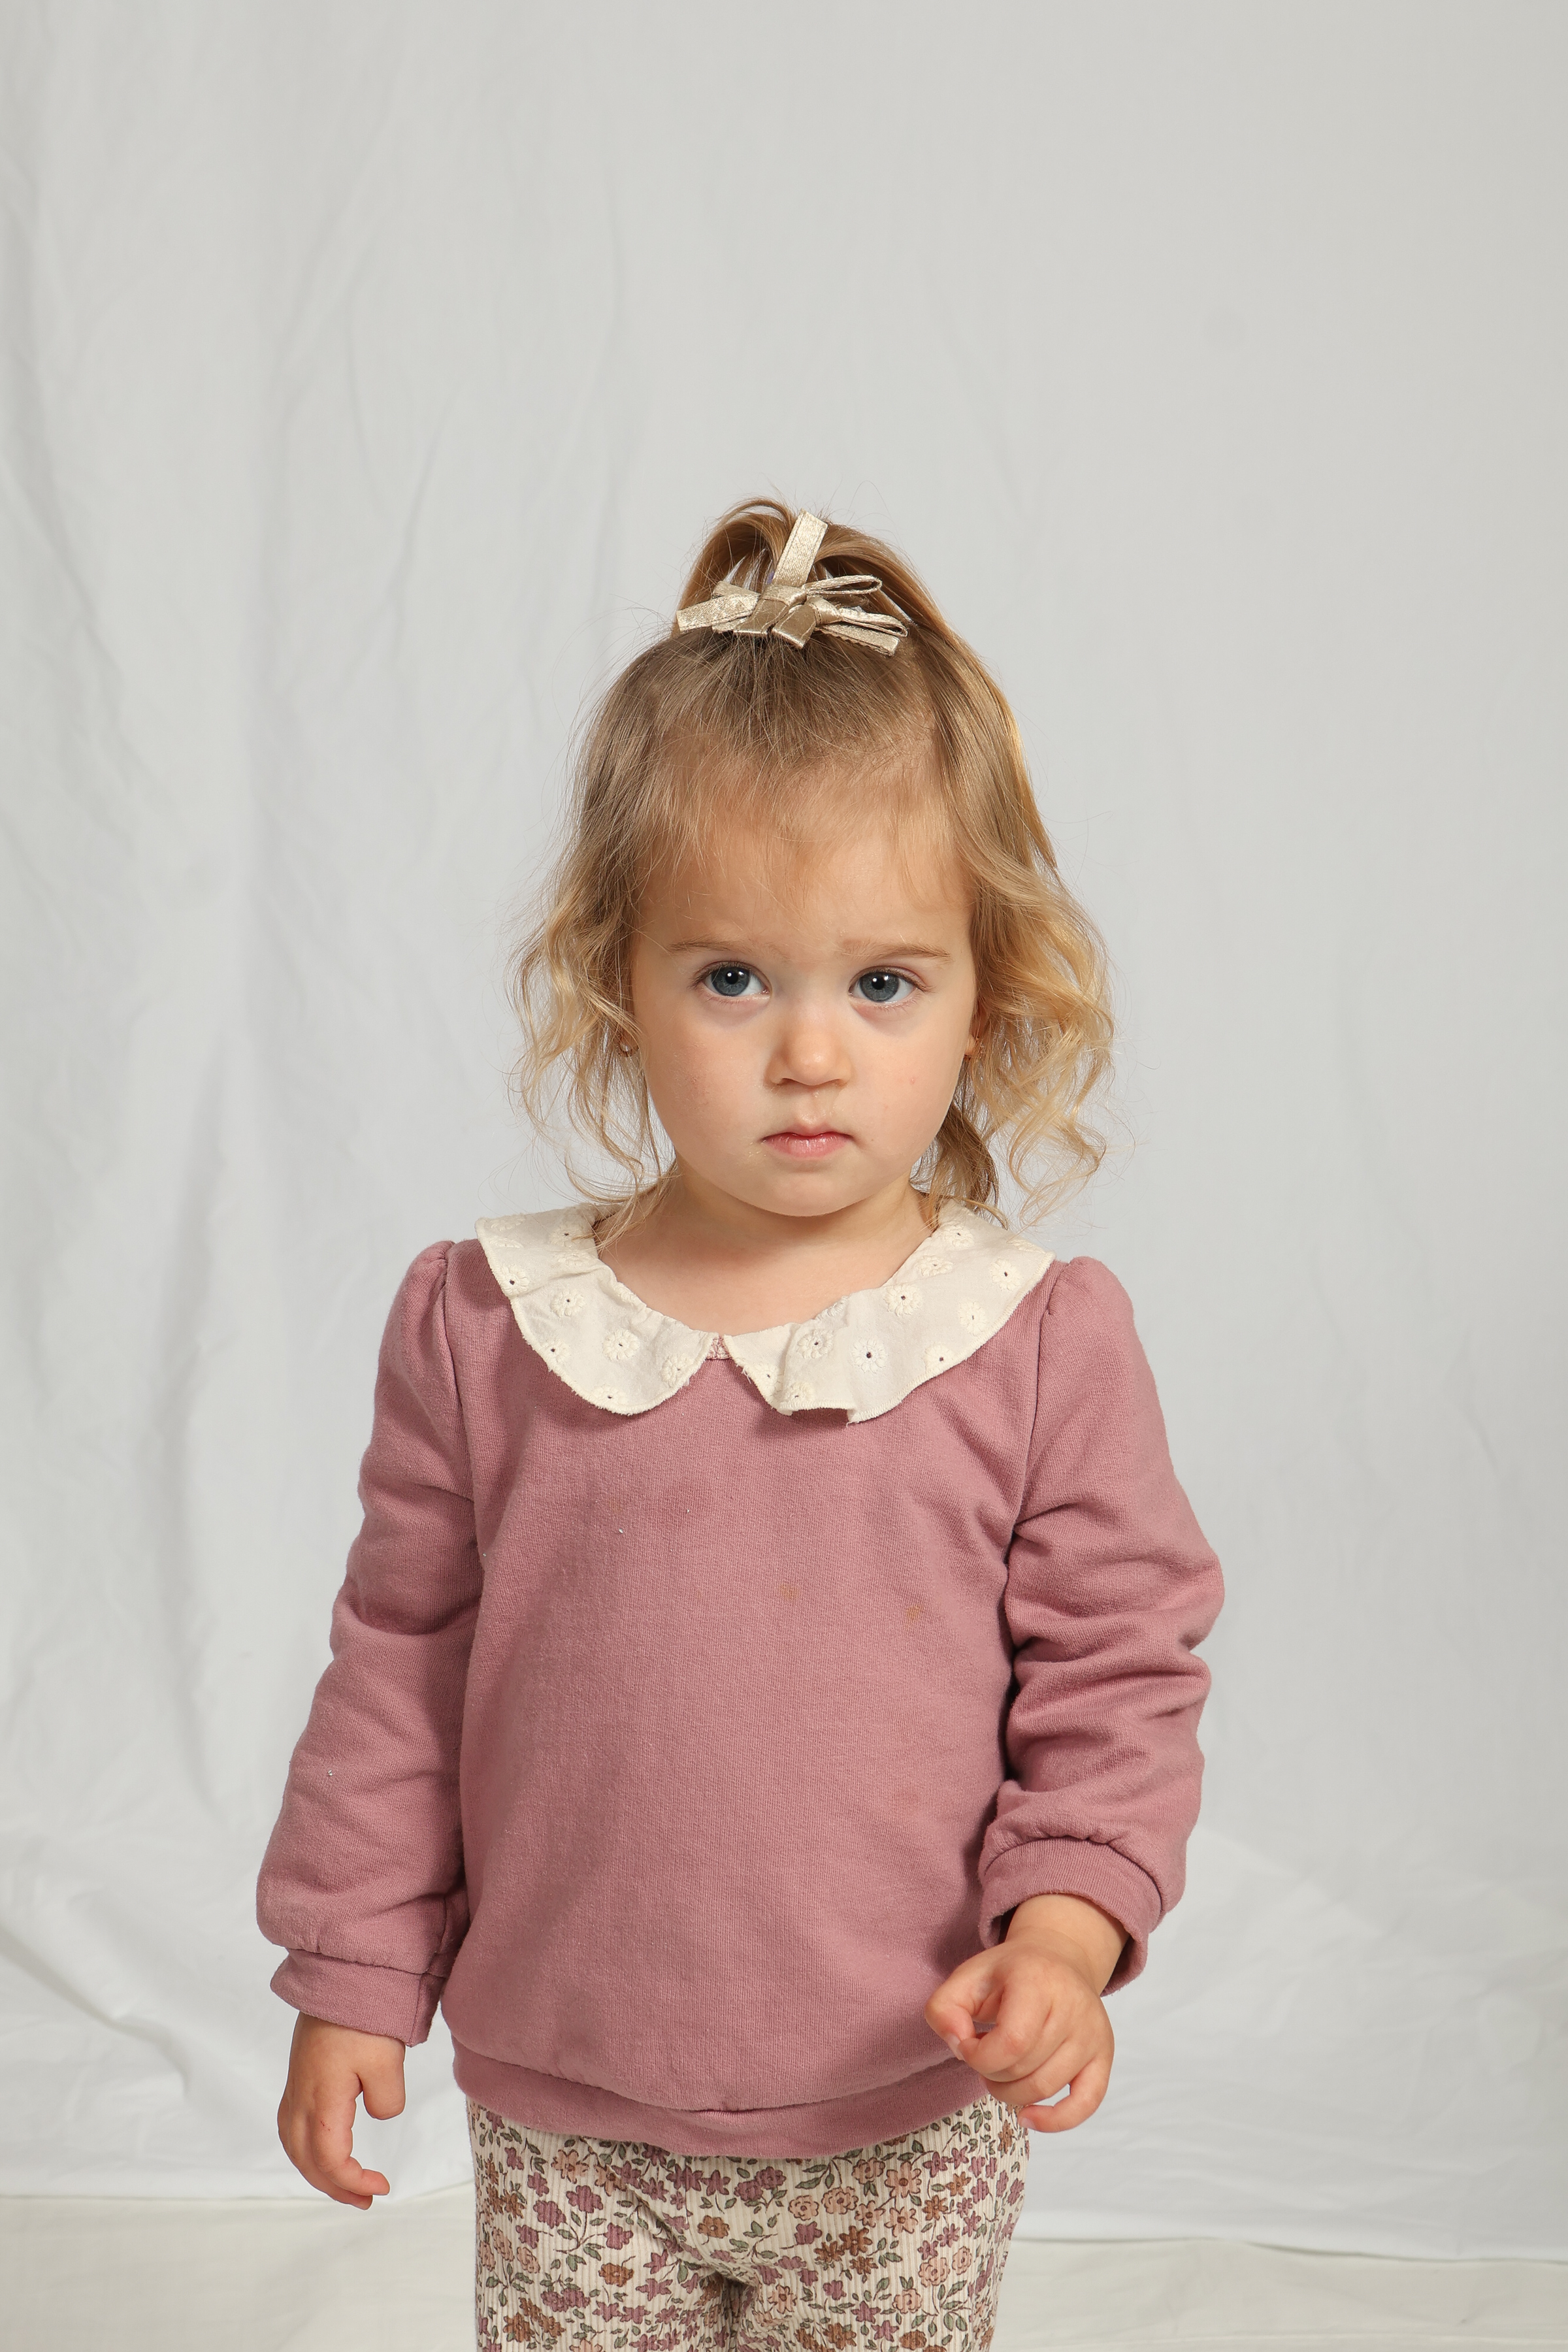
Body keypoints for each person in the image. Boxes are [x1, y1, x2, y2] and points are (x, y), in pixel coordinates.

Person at [257, 500, 1224, 2351]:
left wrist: (1065, 1933)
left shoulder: (1031, 1338)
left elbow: (1119, 1675)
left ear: (985, 996)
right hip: (567, 2107)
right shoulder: (491, 1322)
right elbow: (400, 1665)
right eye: (730, 979)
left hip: (907, 2108)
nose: (809, 1053)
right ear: (615, 984)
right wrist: (353, 1967)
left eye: (883, 982)